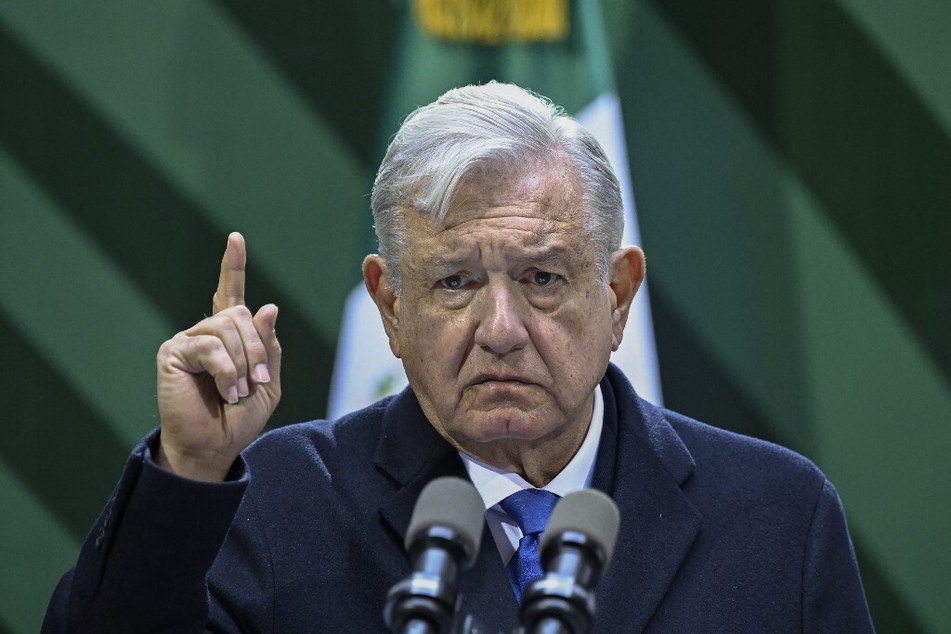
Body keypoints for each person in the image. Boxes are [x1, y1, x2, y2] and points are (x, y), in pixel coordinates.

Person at [43, 82, 873, 633]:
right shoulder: (279, 507)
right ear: (391, 307)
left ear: (617, 296)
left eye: (542, 277)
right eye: (453, 282)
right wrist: (189, 471)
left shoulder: (777, 518)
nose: (500, 327)